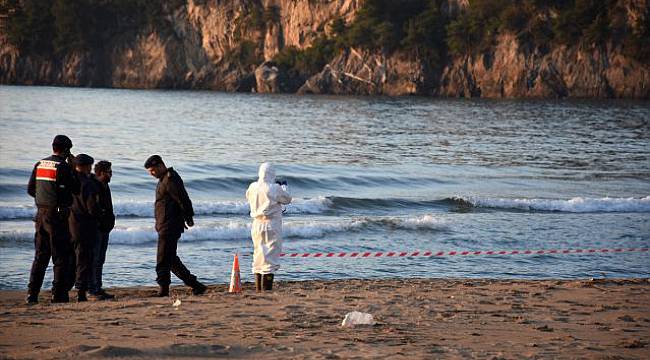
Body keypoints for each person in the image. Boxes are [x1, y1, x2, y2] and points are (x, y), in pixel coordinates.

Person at [26, 135, 80, 304]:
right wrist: (73, 169)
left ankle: (32, 295)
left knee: (40, 257)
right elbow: (76, 189)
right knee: (60, 256)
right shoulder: (63, 167)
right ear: (66, 150)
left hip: (40, 215)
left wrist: (45, 199)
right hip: (57, 216)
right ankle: (58, 295)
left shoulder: (40, 163)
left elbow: (30, 189)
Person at [144, 155, 206, 297]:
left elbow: (182, 198)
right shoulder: (163, 179)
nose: (151, 174)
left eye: (153, 170)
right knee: (170, 258)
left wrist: (188, 217)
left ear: (160, 166)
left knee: (163, 258)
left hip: (169, 225)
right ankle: (195, 285)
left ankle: (164, 289)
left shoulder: (170, 179)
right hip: (165, 224)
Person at [245, 162, 292, 292]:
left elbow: (248, 196)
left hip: (256, 224)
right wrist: (284, 187)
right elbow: (287, 199)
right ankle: (266, 290)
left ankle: (258, 289)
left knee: (258, 257)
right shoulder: (274, 188)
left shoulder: (253, 186)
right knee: (270, 258)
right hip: (271, 224)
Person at [68, 154, 102, 302]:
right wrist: (100, 216)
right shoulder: (88, 184)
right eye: (89, 166)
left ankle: (65, 288)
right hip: (86, 225)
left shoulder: (70, 180)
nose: (90, 169)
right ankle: (81, 292)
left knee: (72, 258)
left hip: (71, 223)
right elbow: (92, 207)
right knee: (84, 259)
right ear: (82, 166)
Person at [89, 160, 115, 300]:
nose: (111, 175)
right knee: (95, 258)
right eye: (109, 172)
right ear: (101, 173)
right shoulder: (94, 186)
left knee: (100, 259)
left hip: (104, 227)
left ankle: (97, 287)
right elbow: (93, 208)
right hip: (96, 228)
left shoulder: (104, 185)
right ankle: (93, 289)